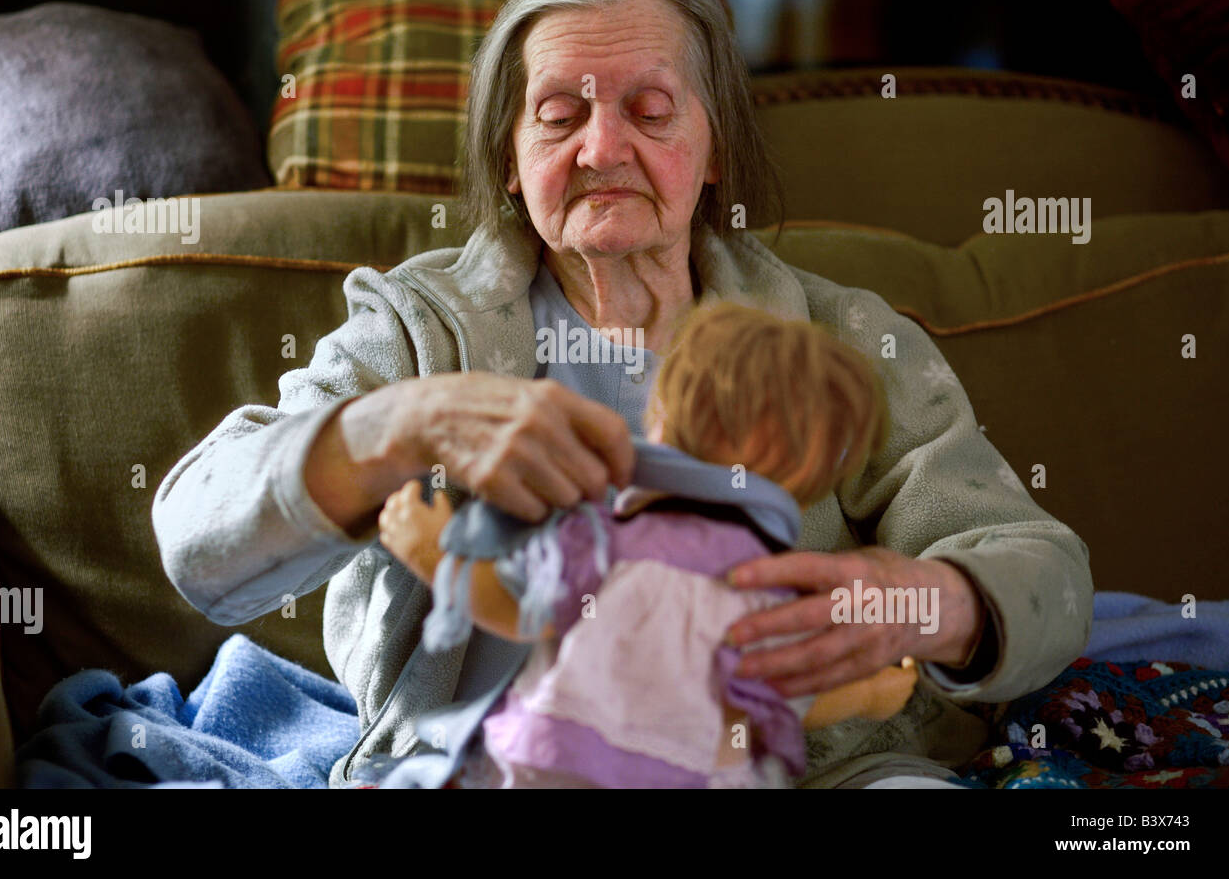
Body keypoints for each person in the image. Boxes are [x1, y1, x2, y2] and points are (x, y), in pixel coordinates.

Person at [153, 0, 1093, 789]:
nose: (606, 148)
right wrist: (396, 428)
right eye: (560, 115)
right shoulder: (415, 330)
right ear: (511, 162)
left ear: (713, 144)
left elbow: (1042, 569)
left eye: (651, 110)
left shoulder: (837, 335)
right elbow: (199, 542)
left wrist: (929, 600)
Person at [375, 300, 922, 788]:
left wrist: (432, 553)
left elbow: (518, 611)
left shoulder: (603, 536)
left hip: (560, 762)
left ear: (659, 421)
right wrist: (870, 694)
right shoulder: (776, 590)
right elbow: (792, 696)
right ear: (808, 484)